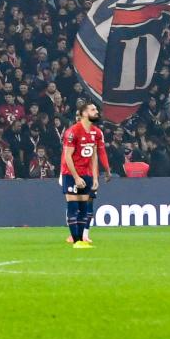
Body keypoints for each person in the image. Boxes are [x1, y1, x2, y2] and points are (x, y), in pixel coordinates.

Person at [59, 100, 109, 248]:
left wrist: (96, 176)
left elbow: (95, 155)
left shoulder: (96, 132)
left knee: (85, 207)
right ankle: (76, 240)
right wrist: (75, 177)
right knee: (73, 206)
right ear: (84, 114)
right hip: (71, 173)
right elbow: (67, 156)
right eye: (93, 110)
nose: (97, 112)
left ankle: (82, 238)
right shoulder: (72, 132)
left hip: (87, 174)